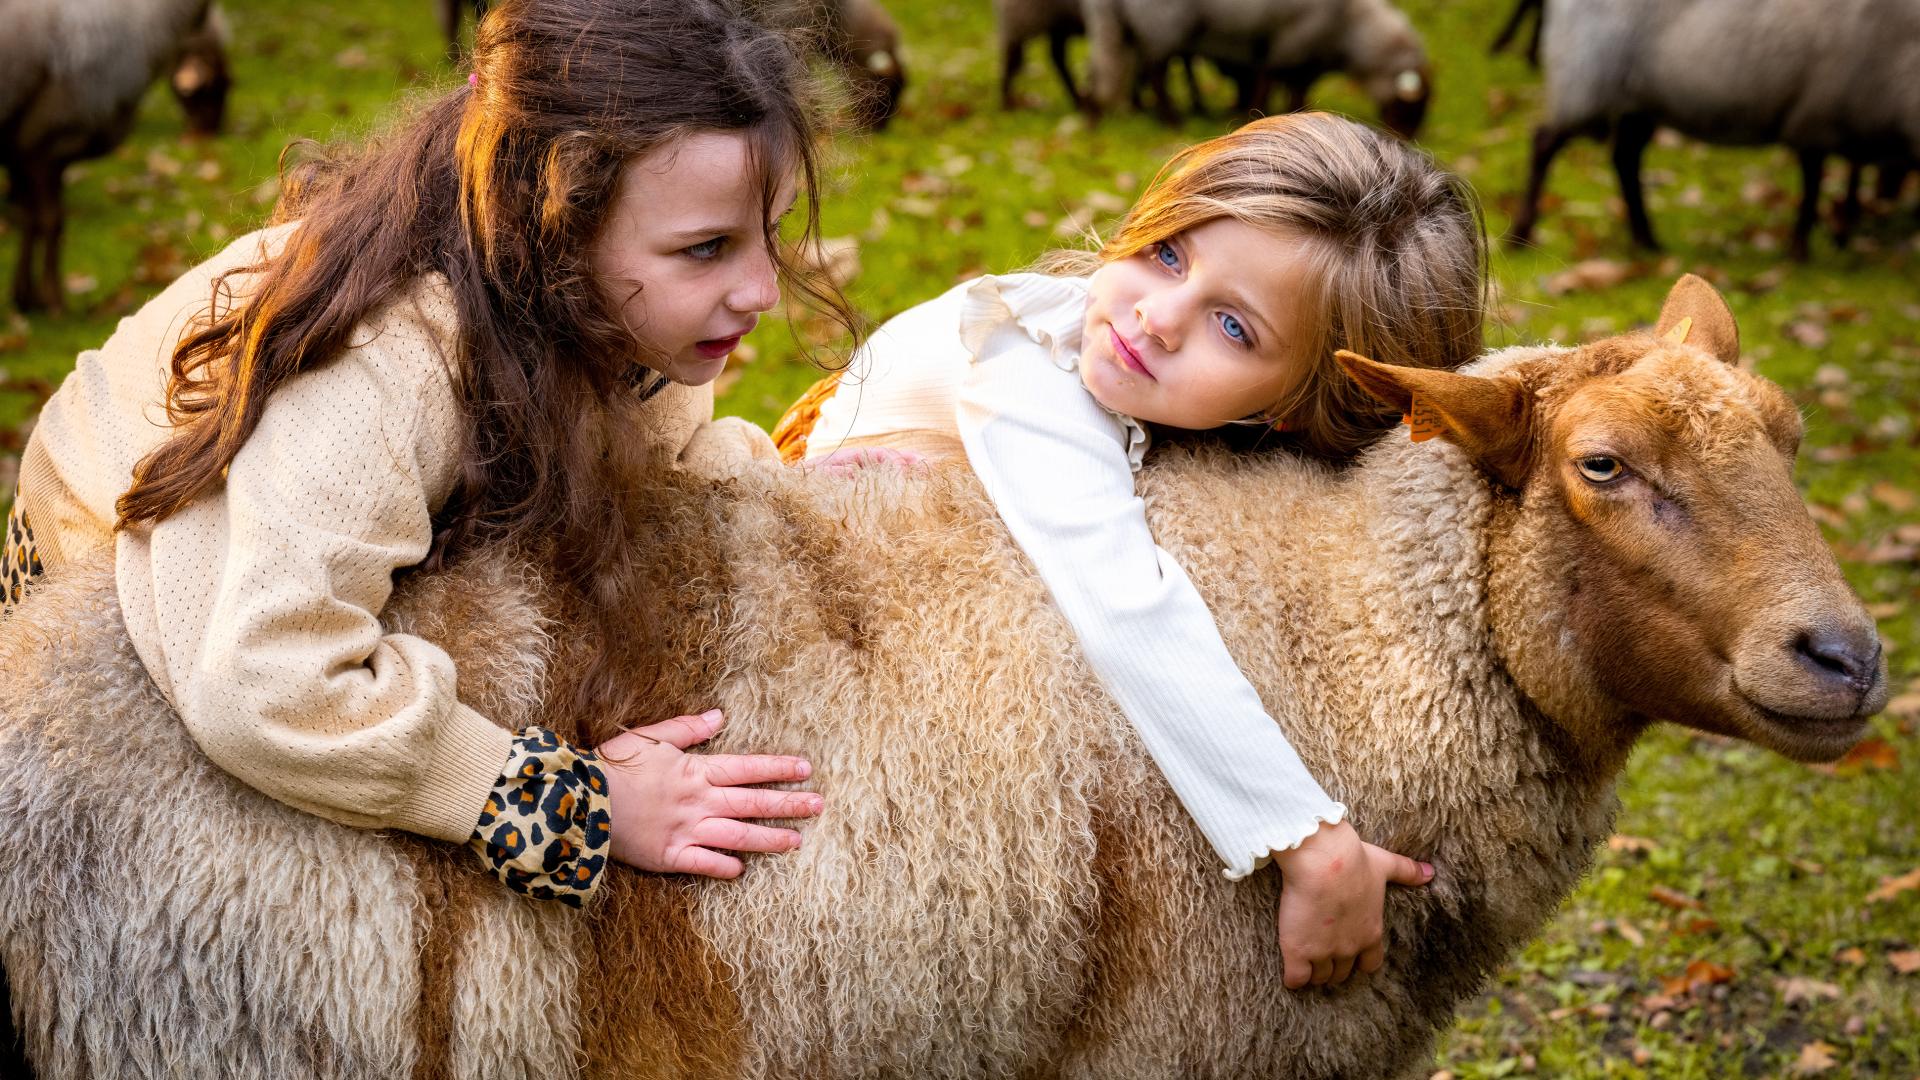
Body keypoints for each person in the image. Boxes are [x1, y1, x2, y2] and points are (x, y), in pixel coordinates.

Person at [1, 0, 856, 908]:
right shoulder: (381, 375)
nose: (763, 287)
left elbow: (659, 454)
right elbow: (264, 679)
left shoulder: (631, 323)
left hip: (284, 556)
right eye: (709, 248)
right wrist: (578, 806)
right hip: (100, 584)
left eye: (770, 231)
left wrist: (777, 492)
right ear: (559, 218)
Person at [793, 111, 1488, 989]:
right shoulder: (1030, 373)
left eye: (1233, 328)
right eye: (1169, 254)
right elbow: (1126, 606)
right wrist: (1309, 840)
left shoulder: (1155, 378)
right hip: (841, 611)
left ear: (1292, 409)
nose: (1158, 317)